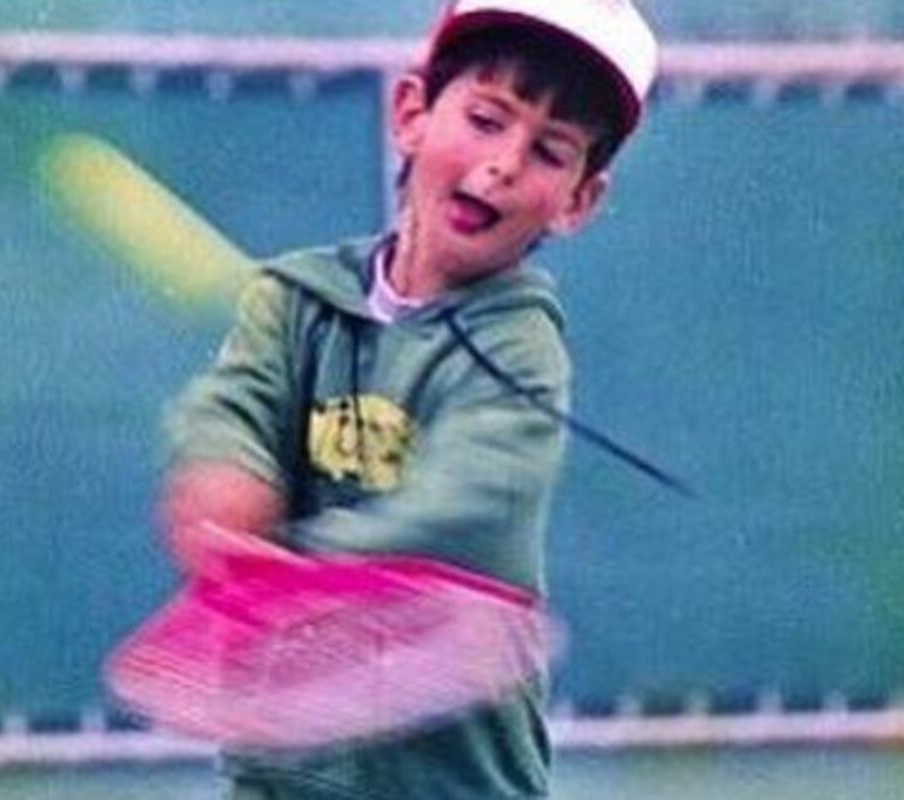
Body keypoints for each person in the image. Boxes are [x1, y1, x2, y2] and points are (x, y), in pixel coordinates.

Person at [162, 1, 659, 797]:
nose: (503, 163)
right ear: (411, 114)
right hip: (283, 780)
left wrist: (297, 573)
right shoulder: (293, 299)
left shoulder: (521, 351)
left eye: (548, 150)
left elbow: (467, 503)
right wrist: (224, 479)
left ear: (578, 200)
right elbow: (233, 407)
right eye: (486, 119)